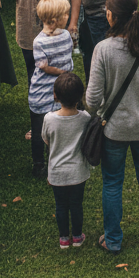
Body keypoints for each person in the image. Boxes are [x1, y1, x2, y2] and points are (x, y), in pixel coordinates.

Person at [85, 0, 139, 254]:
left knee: (112, 183)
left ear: (112, 17)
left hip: (114, 129)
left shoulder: (103, 50)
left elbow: (92, 98)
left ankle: (113, 240)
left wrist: (101, 111)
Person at [28, 0, 76, 177]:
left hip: (57, 91)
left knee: (51, 130)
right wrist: (64, 73)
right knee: (40, 131)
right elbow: (44, 66)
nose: (68, 16)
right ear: (55, 20)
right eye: (66, 14)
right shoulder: (40, 42)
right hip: (43, 93)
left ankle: (51, 162)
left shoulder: (64, 35)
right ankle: (39, 164)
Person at [42, 71, 91, 249]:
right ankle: (77, 237)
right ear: (79, 97)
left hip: (57, 172)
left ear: (55, 96)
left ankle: (64, 239)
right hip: (78, 172)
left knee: (61, 205)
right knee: (76, 204)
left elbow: (46, 139)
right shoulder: (85, 118)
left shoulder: (49, 119)